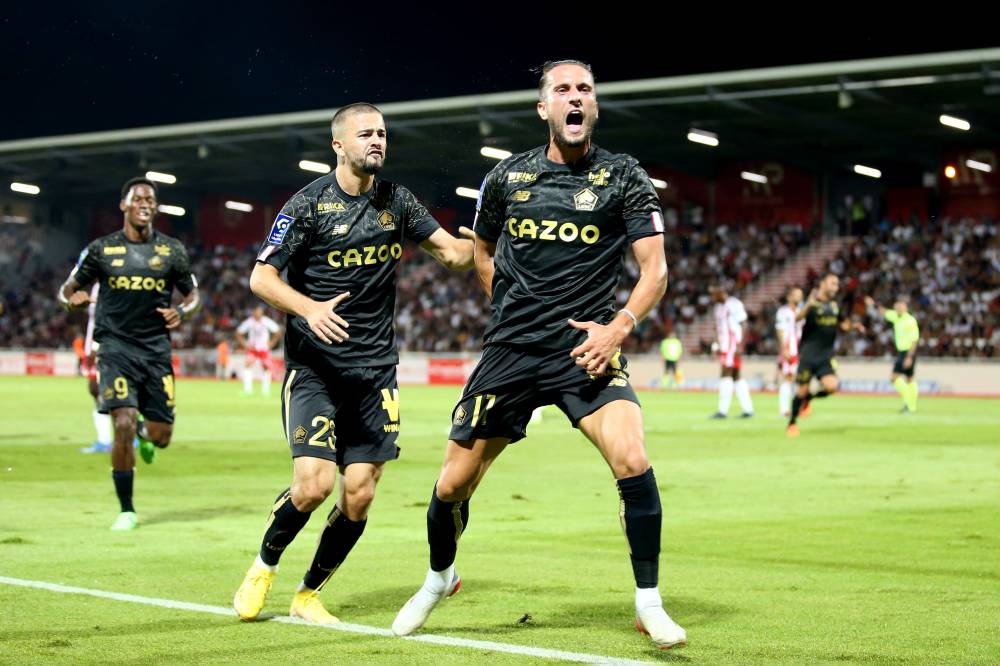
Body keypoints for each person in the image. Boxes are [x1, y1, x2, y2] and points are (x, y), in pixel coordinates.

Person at [391, 60, 686, 650]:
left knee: (631, 455)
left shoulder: (623, 176)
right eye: (563, 90)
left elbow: (655, 269)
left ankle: (649, 603)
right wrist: (508, 310)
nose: (575, 99)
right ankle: (438, 578)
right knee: (452, 487)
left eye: (585, 90)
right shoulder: (505, 178)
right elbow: (482, 251)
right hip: (512, 351)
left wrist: (618, 327)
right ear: (544, 108)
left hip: (588, 349)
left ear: (594, 107)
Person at [232, 102, 474, 625]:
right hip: (315, 367)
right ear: (338, 145)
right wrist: (309, 308)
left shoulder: (398, 201)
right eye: (366, 134)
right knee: (313, 485)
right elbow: (261, 278)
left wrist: (483, 238)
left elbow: (452, 256)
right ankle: (262, 567)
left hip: (375, 371)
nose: (378, 141)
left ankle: (307, 595)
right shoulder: (308, 205)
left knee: (359, 493)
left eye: (383, 133)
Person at [58, 177, 200, 530]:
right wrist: (71, 301)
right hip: (115, 348)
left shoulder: (172, 251)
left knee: (161, 437)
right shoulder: (101, 250)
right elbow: (66, 289)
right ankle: (127, 509)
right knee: (120, 422)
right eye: (138, 198)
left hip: (155, 351)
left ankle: (144, 429)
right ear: (124, 205)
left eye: (151, 200)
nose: (145, 204)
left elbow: (194, 296)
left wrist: (181, 312)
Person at [786, 273, 864, 437]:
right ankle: (792, 423)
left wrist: (853, 326)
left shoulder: (835, 305)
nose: (835, 287)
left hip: (825, 356)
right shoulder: (812, 302)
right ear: (823, 284)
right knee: (801, 390)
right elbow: (797, 318)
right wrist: (808, 305)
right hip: (808, 354)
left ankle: (809, 399)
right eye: (832, 283)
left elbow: (843, 325)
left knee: (831, 386)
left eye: (837, 284)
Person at [865, 295, 920, 413]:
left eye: (901, 305)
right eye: (897, 305)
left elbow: (915, 340)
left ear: (906, 307)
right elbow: (883, 311)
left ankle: (908, 402)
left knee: (894, 378)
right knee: (910, 379)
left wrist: (909, 357)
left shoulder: (910, 320)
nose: (898, 307)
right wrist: (873, 303)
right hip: (902, 352)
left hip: (907, 352)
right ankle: (911, 406)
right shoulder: (896, 317)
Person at [708, 285, 754, 419]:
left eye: (714, 294)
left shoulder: (734, 304)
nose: (712, 298)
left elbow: (744, 324)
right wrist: (715, 346)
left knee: (725, 373)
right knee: (736, 376)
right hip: (724, 345)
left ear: (721, 292)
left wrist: (740, 345)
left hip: (732, 344)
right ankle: (748, 409)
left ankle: (723, 411)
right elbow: (716, 328)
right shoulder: (718, 308)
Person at [79, 283, 115, 454]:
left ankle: (109, 439)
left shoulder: (107, 284)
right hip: (100, 344)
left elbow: (105, 317)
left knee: (100, 390)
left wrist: (94, 347)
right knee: (98, 391)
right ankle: (110, 439)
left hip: (104, 346)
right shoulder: (98, 285)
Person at [235, 305, 282, 396]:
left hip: (263, 348)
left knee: (266, 367)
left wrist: (272, 342)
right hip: (252, 348)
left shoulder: (266, 321)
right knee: (248, 365)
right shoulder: (250, 321)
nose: (258, 314)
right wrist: (244, 343)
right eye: (257, 312)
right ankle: (248, 390)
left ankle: (265, 391)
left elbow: (278, 331)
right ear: (254, 313)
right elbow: (238, 332)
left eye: (260, 312)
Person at [774, 286, 804, 417]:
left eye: (801, 295)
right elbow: (780, 329)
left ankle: (797, 407)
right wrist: (784, 349)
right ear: (789, 297)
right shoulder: (783, 312)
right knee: (788, 377)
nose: (800, 297)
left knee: (798, 378)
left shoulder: (802, 312)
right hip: (789, 347)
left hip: (799, 347)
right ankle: (784, 409)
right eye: (797, 294)